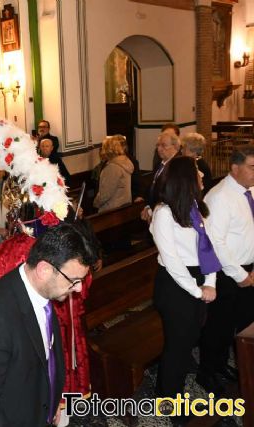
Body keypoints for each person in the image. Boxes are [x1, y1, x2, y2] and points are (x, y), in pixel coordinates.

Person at [0, 223, 96, 426]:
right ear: (44, 269)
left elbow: (47, 355)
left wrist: (51, 405)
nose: (79, 288)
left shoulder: (42, 291)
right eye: (74, 280)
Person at [150, 156, 219, 422]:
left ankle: (164, 392)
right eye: (198, 172)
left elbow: (208, 248)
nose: (202, 175)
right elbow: (172, 261)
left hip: (197, 280)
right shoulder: (164, 214)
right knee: (177, 348)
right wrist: (198, 290)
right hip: (175, 285)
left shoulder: (194, 208)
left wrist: (210, 282)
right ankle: (170, 403)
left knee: (187, 342)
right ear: (185, 179)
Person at [198, 145, 254, 395]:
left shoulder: (249, 191)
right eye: (252, 167)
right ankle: (207, 372)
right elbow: (215, 242)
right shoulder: (219, 197)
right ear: (235, 167)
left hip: (248, 269)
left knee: (241, 323)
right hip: (226, 274)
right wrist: (241, 275)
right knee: (218, 326)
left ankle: (222, 365)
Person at [141, 131, 181, 223]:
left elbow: (171, 194)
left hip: (168, 216)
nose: (159, 149)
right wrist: (147, 206)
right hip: (155, 214)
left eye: (163, 145)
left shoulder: (177, 166)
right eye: (158, 145)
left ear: (175, 146)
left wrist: (153, 210)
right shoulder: (159, 164)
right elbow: (152, 187)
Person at [93, 135, 134, 213]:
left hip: (111, 210)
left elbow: (105, 195)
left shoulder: (113, 167)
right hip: (123, 208)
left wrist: (95, 203)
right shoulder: (124, 163)